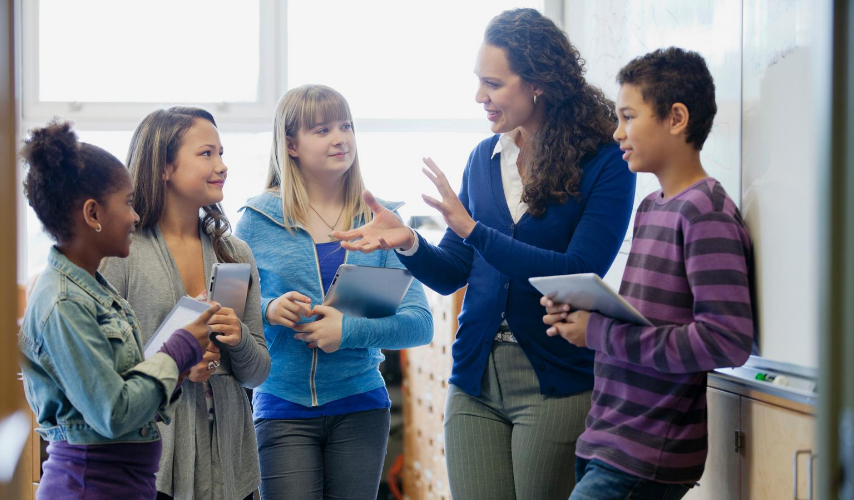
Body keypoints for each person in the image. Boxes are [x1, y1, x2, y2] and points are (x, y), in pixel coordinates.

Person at [334, 8, 636, 499]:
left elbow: (577, 271)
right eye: (479, 81)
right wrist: (408, 242)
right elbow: (452, 272)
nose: (480, 96)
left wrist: (474, 230)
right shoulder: (484, 157)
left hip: (554, 378)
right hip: (474, 375)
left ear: (538, 83)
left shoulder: (605, 162)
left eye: (492, 84)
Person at [546, 48, 755, 500]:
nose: (617, 132)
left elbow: (727, 341)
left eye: (628, 117)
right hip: (609, 438)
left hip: (647, 452)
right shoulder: (651, 207)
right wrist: (583, 313)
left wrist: (598, 331)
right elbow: (649, 321)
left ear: (676, 118)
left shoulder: (705, 212)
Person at [233, 84, 433, 500]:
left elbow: (419, 325)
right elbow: (229, 313)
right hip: (281, 406)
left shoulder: (383, 220)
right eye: (322, 130)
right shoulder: (255, 220)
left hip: (361, 404)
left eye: (346, 126)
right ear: (291, 145)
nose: (341, 138)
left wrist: (348, 332)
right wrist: (268, 309)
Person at [18, 120, 218, 499]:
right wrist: (179, 349)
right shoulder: (63, 303)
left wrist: (181, 364)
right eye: (127, 203)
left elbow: (130, 390)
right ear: (93, 214)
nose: (136, 216)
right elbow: (114, 413)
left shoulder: (95, 289)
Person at [100, 107, 270, 500]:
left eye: (221, 153)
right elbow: (103, 372)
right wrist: (176, 366)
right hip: (152, 465)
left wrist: (238, 338)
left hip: (231, 467)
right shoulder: (120, 254)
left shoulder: (235, 253)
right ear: (163, 167)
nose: (222, 166)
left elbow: (257, 372)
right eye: (206, 153)